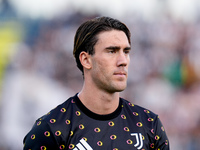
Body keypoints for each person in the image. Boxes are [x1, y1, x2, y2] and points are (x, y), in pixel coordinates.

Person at [23, 16, 169, 150]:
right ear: (86, 60)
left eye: (126, 51)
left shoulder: (149, 124)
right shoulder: (51, 129)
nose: (123, 61)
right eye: (112, 51)